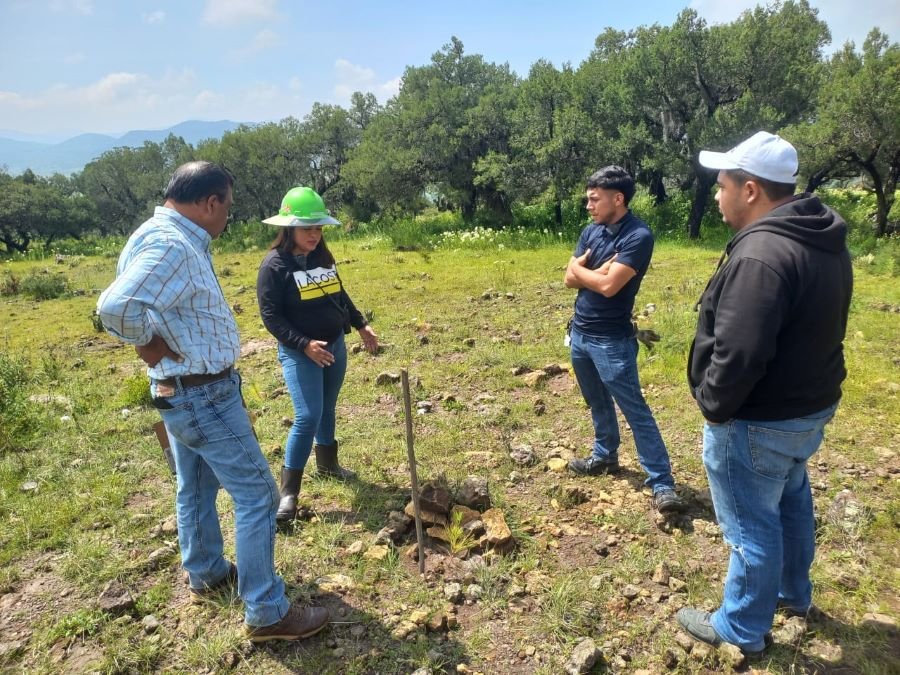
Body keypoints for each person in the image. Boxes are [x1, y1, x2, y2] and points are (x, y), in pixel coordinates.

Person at [96, 162, 329, 642]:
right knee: (258, 495)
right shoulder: (171, 244)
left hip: (180, 391)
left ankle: (205, 570)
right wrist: (149, 343)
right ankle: (266, 611)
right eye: (227, 207)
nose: (228, 218)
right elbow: (114, 307)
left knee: (196, 484)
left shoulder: (156, 233)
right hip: (201, 391)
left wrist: (155, 348)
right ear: (210, 203)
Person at [677, 132, 852, 657]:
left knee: (751, 524)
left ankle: (741, 627)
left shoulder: (763, 254)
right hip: (807, 409)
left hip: (759, 419)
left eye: (722, 183)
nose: (716, 193)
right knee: (791, 497)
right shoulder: (820, 237)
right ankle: (791, 592)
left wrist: (714, 405)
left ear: (750, 189)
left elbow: (741, 352)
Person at [565, 166, 685, 514]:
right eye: (588, 199)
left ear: (618, 198)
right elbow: (567, 279)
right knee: (597, 402)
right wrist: (596, 272)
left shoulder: (638, 236)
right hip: (581, 334)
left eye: (594, 199)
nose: (588, 205)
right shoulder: (592, 230)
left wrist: (589, 273)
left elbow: (607, 286)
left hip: (611, 340)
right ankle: (605, 457)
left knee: (636, 411)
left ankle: (662, 483)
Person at [256, 186, 378, 523]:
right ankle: (288, 494)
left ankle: (328, 465)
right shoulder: (274, 266)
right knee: (307, 415)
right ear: (289, 228)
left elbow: (338, 295)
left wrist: (360, 325)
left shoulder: (322, 257)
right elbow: (271, 318)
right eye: (308, 228)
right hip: (301, 353)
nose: (314, 234)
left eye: (318, 228)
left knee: (327, 405)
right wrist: (304, 345)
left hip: (335, 344)